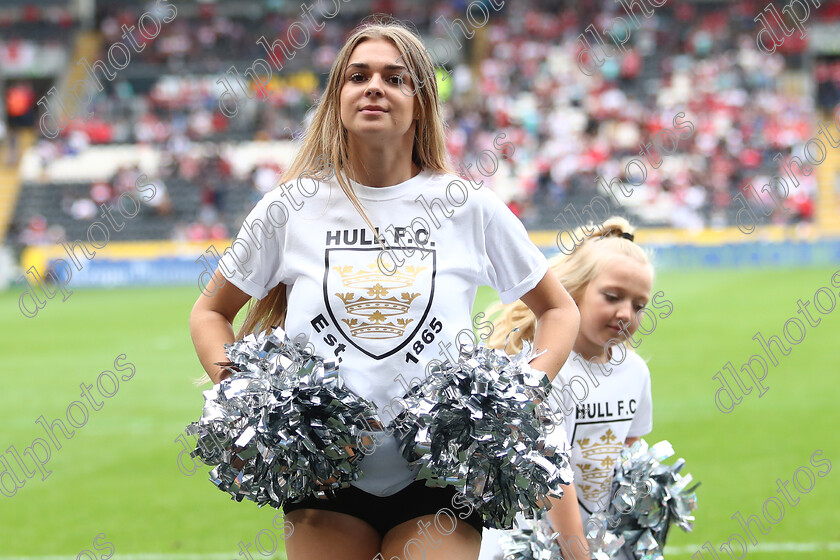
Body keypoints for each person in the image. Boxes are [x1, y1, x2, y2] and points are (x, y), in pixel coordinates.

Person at [189, 18, 582, 560]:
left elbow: (559, 308)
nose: (374, 86)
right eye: (358, 76)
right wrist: (250, 400)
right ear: (338, 98)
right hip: (326, 477)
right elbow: (211, 312)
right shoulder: (290, 207)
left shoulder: (468, 206)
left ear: (420, 103)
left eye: (395, 78)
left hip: (441, 472)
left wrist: (518, 400)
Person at [479, 217, 658, 560]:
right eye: (612, 296)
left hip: (591, 539)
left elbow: (628, 454)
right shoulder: (544, 367)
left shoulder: (636, 372)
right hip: (527, 543)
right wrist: (580, 555)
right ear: (573, 290)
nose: (625, 313)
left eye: (639, 306)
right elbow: (551, 479)